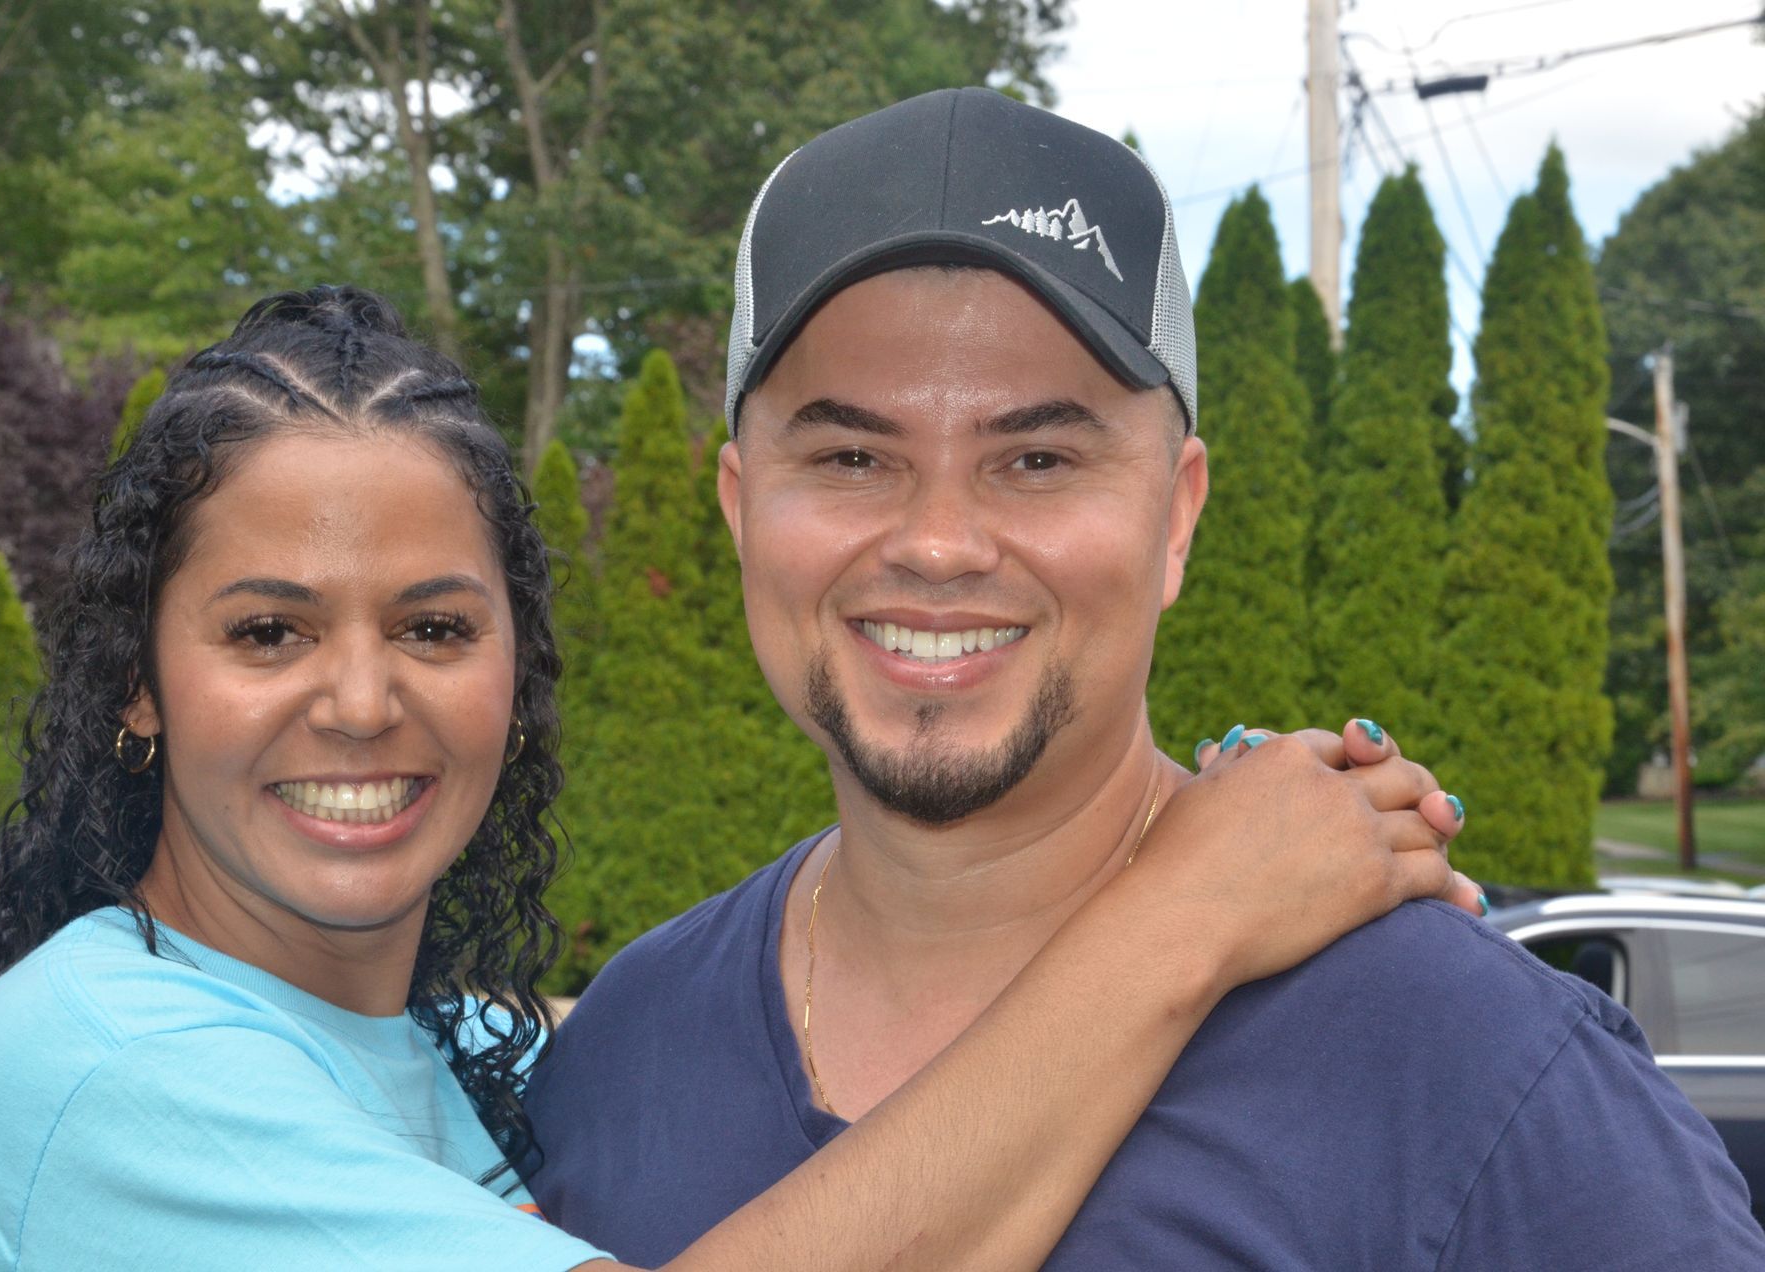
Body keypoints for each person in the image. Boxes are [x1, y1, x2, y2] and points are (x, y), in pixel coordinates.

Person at [0, 287, 1475, 1271]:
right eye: (268, 630)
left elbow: (848, 965)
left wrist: (1232, 812)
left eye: (435, 626)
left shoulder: (441, 1049)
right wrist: (1189, 908)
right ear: (138, 687)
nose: (361, 702)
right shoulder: (101, 1074)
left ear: (515, 676)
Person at [523, 89, 1765, 1268]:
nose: (939, 543)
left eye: (1040, 459)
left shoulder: (1474, 1066)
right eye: (852, 454)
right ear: (742, 511)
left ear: (1176, 519)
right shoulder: (627, 1048)